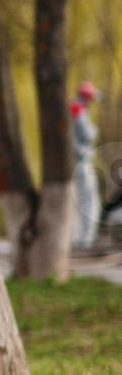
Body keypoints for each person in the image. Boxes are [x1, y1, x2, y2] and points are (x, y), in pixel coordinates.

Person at [71, 81, 101, 249]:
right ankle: (85, 239)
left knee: (85, 198)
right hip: (81, 161)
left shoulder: (76, 108)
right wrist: (94, 130)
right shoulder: (78, 109)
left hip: (80, 161)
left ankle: (85, 238)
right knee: (88, 199)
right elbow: (89, 134)